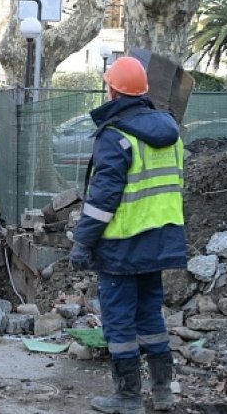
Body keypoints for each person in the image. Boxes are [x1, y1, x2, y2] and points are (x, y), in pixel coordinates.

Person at [70, 55, 187, 414]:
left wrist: (82, 242)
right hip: (161, 240)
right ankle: (163, 393)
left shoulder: (116, 136)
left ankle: (128, 397)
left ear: (112, 90)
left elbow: (103, 200)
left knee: (119, 320)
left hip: (123, 244)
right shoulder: (170, 132)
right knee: (150, 315)